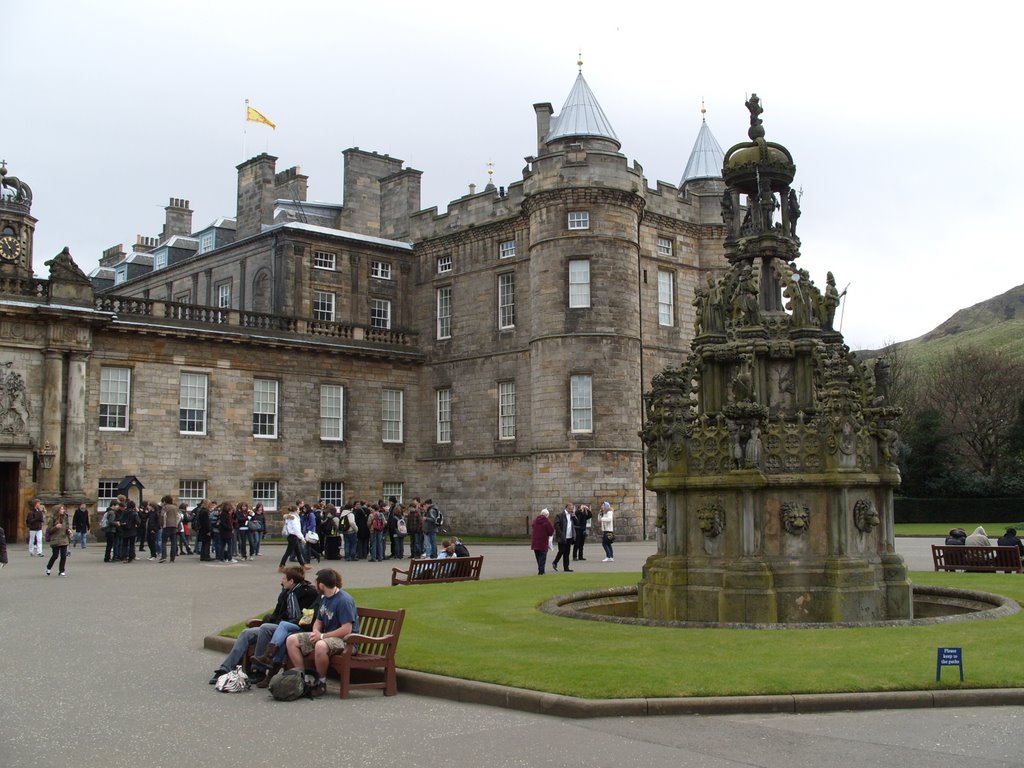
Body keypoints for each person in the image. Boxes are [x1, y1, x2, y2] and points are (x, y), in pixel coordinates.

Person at [208, 567, 319, 687]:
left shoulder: (309, 593)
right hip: (276, 626)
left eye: (284, 578)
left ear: (291, 581)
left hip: (292, 628)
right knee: (246, 633)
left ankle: (258, 670)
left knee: (265, 628)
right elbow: (276, 614)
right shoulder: (285, 593)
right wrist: (268, 618)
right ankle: (224, 669)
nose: (281, 581)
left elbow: (308, 616)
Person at [284, 569, 359, 698]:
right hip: (325, 636)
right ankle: (304, 679)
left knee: (320, 645)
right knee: (291, 640)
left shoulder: (344, 600)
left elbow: (346, 629)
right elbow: (319, 620)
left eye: (317, 582)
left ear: (321, 585)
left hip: (345, 641)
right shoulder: (325, 598)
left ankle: (321, 682)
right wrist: (316, 632)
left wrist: (322, 636)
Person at [45, 504, 71, 576]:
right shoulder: (52, 519)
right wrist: (55, 527)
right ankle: (48, 567)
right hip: (55, 539)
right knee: (55, 555)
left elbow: (67, 527)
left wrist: (69, 531)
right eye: (61, 509)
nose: (63, 510)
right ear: (57, 511)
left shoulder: (65, 518)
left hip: (63, 538)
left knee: (63, 556)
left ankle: (62, 570)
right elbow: (49, 530)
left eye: (63, 509)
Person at [279, 507, 308, 571]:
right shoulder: (294, 518)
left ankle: (303, 565)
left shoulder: (290, 517)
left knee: (298, 552)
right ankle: (281, 565)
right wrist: (302, 538)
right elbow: (296, 529)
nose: (299, 511)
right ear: (295, 511)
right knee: (288, 552)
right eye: (298, 510)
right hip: (293, 536)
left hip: (292, 536)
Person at [551, 503, 576, 572]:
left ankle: (566, 567)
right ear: (567, 508)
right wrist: (561, 535)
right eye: (570, 509)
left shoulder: (572, 515)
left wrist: (574, 516)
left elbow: (577, 523)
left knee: (567, 553)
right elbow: (556, 525)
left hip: (570, 537)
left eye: (572, 509)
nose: (571, 510)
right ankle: (555, 562)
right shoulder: (560, 515)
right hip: (562, 537)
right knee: (561, 551)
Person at [531, 509, 554, 575]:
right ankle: (541, 571)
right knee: (542, 557)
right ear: (547, 515)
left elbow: (533, 526)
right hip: (543, 542)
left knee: (538, 557)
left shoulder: (535, 520)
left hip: (535, 542)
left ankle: (540, 569)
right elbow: (551, 531)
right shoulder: (546, 521)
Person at [159, 494, 180, 563]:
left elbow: (162, 516)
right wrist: (177, 525)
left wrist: (161, 524)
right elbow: (179, 517)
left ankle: (164, 556)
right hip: (174, 526)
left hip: (166, 526)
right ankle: (172, 558)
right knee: (173, 542)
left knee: (164, 542)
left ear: (165, 501)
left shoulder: (165, 507)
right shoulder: (175, 507)